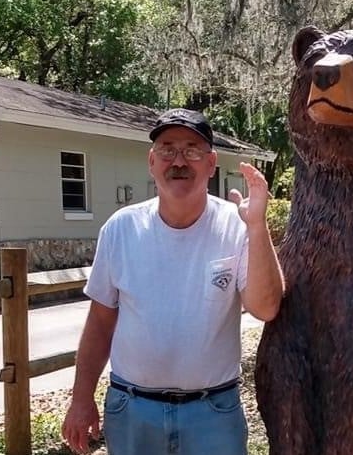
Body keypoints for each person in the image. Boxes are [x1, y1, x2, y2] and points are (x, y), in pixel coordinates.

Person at [61, 107, 284, 455]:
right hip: (133, 410)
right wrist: (80, 398)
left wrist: (257, 226)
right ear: (152, 161)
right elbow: (100, 324)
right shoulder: (121, 228)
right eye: (167, 149)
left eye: (192, 150)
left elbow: (266, 308)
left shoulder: (238, 225)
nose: (179, 161)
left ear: (211, 164)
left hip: (213, 413)